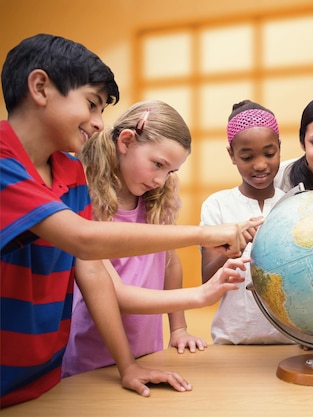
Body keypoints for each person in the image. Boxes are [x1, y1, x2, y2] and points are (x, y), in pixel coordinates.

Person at [0, 33, 259, 407]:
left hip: (46, 373)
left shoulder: (69, 172)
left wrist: (127, 367)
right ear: (40, 87)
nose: (98, 123)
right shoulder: (6, 165)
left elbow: (92, 274)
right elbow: (85, 240)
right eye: (91, 105)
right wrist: (203, 237)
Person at [60, 100, 221, 377]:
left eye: (170, 171)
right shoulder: (86, 202)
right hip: (92, 362)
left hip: (150, 353)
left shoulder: (157, 201)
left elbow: (170, 264)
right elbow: (114, 295)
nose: (161, 179)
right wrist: (199, 295)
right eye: (157, 164)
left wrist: (179, 328)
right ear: (126, 141)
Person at [200, 100, 293, 345]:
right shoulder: (217, 205)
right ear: (232, 155)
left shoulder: (293, 205)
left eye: (269, 154)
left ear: (280, 149)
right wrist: (233, 249)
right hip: (232, 341)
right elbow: (207, 280)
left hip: (289, 342)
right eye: (247, 156)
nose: (260, 164)